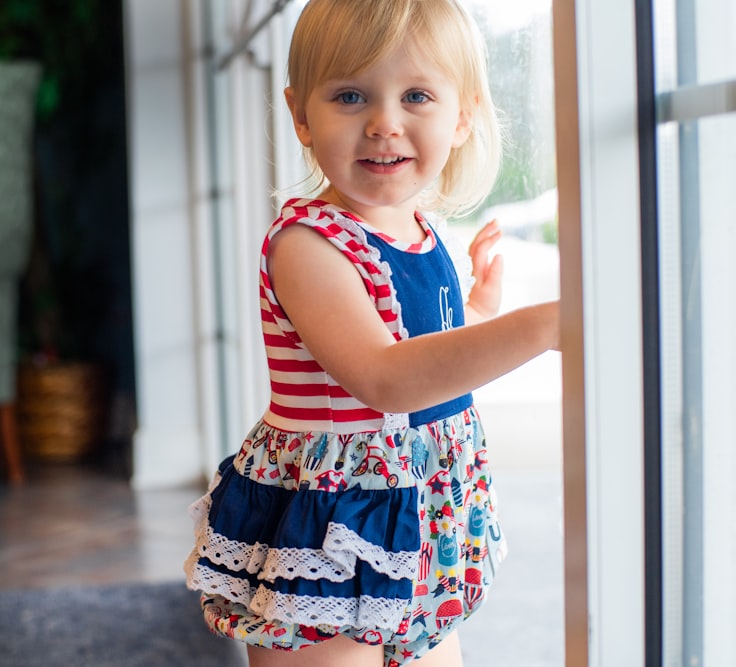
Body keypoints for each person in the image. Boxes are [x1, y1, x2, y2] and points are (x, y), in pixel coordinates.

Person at [183, 0, 560, 665]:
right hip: (331, 526)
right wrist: (541, 327)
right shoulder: (308, 244)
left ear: (463, 115)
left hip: (424, 518)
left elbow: (428, 353)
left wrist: (475, 309)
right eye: (351, 96)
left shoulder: (424, 232)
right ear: (301, 114)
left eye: (416, 95)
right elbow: (384, 376)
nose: (385, 124)